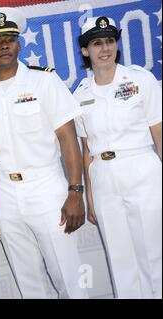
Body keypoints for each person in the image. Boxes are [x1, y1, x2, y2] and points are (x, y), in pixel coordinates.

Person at [0, 7, 89, 299]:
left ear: (19, 44)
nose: (4, 45)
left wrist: (76, 191)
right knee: (28, 281)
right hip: (5, 193)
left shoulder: (44, 81)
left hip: (46, 186)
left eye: (10, 38)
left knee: (68, 276)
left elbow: (68, 138)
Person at [74, 16, 162, 299]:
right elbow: (86, 150)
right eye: (97, 43)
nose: (105, 48)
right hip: (103, 177)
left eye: (110, 41)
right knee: (119, 258)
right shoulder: (80, 94)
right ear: (86, 50)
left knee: (153, 253)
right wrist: (90, 197)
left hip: (142, 168)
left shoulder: (140, 79)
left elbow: (159, 134)